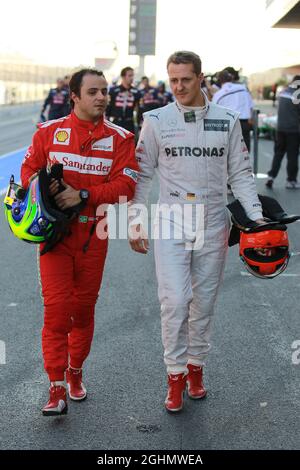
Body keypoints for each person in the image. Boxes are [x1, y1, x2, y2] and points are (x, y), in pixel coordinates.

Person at [128, 51, 264, 413]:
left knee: (203, 303)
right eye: (172, 80)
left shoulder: (228, 120)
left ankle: (195, 369)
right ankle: (174, 375)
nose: (177, 87)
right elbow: (142, 176)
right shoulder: (155, 119)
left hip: (214, 219)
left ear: (201, 78)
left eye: (185, 80)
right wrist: (135, 220)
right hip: (172, 218)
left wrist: (256, 217)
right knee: (174, 301)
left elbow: (241, 175)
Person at [21, 68, 138, 416]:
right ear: (74, 96)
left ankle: (75, 372)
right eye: (93, 92)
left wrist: (84, 195)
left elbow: (127, 186)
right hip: (55, 237)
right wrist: (47, 187)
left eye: (104, 91)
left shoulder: (121, 139)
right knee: (57, 312)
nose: (102, 97)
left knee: (82, 312)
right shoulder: (48, 133)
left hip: (94, 237)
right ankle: (55, 385)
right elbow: (28, 172)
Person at [266, 76, 300, 189]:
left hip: (280, 129)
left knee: (278, 153)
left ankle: (271, 176)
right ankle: (291, 180)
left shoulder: (283, 92)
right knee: (292, 156)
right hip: (293, 130)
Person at [212, 69, 254, 152]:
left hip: (229, 124)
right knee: (245, 152)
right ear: (231, 78)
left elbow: (214, 113)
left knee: (231, 153)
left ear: (220, 81)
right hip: (245, 123)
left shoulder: (218, 94)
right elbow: (251, 106)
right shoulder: (243, 88)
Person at [106, 66, 140, 136]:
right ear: (123, 77)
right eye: (129, 75)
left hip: (129, 123)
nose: (132, 78)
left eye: (132, 75)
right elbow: (108, 107)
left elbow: (138, 109)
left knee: (130, 145)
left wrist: (139, 124)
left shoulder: (136, 92)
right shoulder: (113, 91)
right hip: (115, 123)